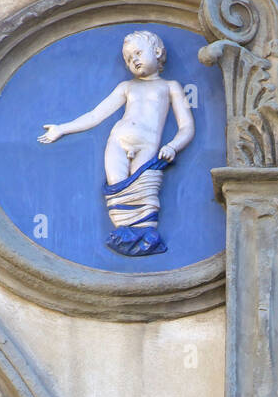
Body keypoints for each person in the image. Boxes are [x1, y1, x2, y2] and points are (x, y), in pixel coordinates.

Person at [38, 29, 195, 257]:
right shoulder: (127, 87)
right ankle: (124, 234)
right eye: (129, 58)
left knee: (144, 189)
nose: (135, 60)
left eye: (139, 53)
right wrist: (62, 128)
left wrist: (173, 146)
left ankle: (146, 235)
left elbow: (187, 127)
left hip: (148, 145)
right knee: (118, 188)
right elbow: (95, 115)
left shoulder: (170, 87)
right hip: (118, 141)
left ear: (158, 51)